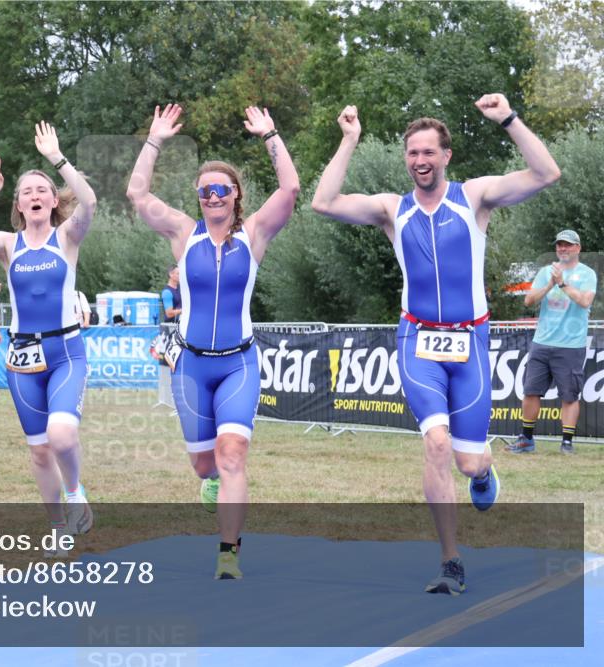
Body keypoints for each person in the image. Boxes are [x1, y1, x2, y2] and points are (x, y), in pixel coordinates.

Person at [311, 94, 561, 595]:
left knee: (470, 461)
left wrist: (508, 119)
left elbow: (546, 173)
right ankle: (450, 561)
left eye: (429, 152)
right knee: (436, 443)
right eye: (413, 153)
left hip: (470, 342)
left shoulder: (475, 197)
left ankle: (484, 474)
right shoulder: (391, 209)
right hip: (417, 340)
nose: (420, 161)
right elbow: (324, 202)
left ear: (446, 156)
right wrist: (350, 140)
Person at [127, 104, 299, 579]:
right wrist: (155, 139)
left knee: (232, 455)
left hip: (238, 365)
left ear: (236, 194)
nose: (213, 196)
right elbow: (137, 193)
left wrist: (270, 134)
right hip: (192, 368)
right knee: (205, 466)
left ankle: (229, 552)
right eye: (205, 191)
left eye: (221, 189)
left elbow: (290, 189)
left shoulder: (255, 234)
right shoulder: (184, 233)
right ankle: (209, 483)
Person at [0, 121, 97, 545]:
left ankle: (75, 492)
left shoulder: (67, 236)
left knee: (62, 434)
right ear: (18, 205)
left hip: (66, 350)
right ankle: (57, 527)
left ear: (54, 201)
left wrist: (57, 158)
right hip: (22, 357)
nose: (35, 196)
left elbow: (88, 202)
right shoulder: (7, 244)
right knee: (39, 450)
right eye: (27, 192)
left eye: (42, 190)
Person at [508, 230, 596, 455]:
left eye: (568, 245)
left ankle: (566, 443)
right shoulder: (546, 271)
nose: (563, 248)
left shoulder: (587, 274)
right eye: (559, 245)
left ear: (578, 248)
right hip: (542, 342)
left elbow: (585, 301)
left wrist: (563, 284)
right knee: (530, 392)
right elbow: (528, 300)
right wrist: (550, 284)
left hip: (571, 344)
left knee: (569, 395)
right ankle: (526, 440)